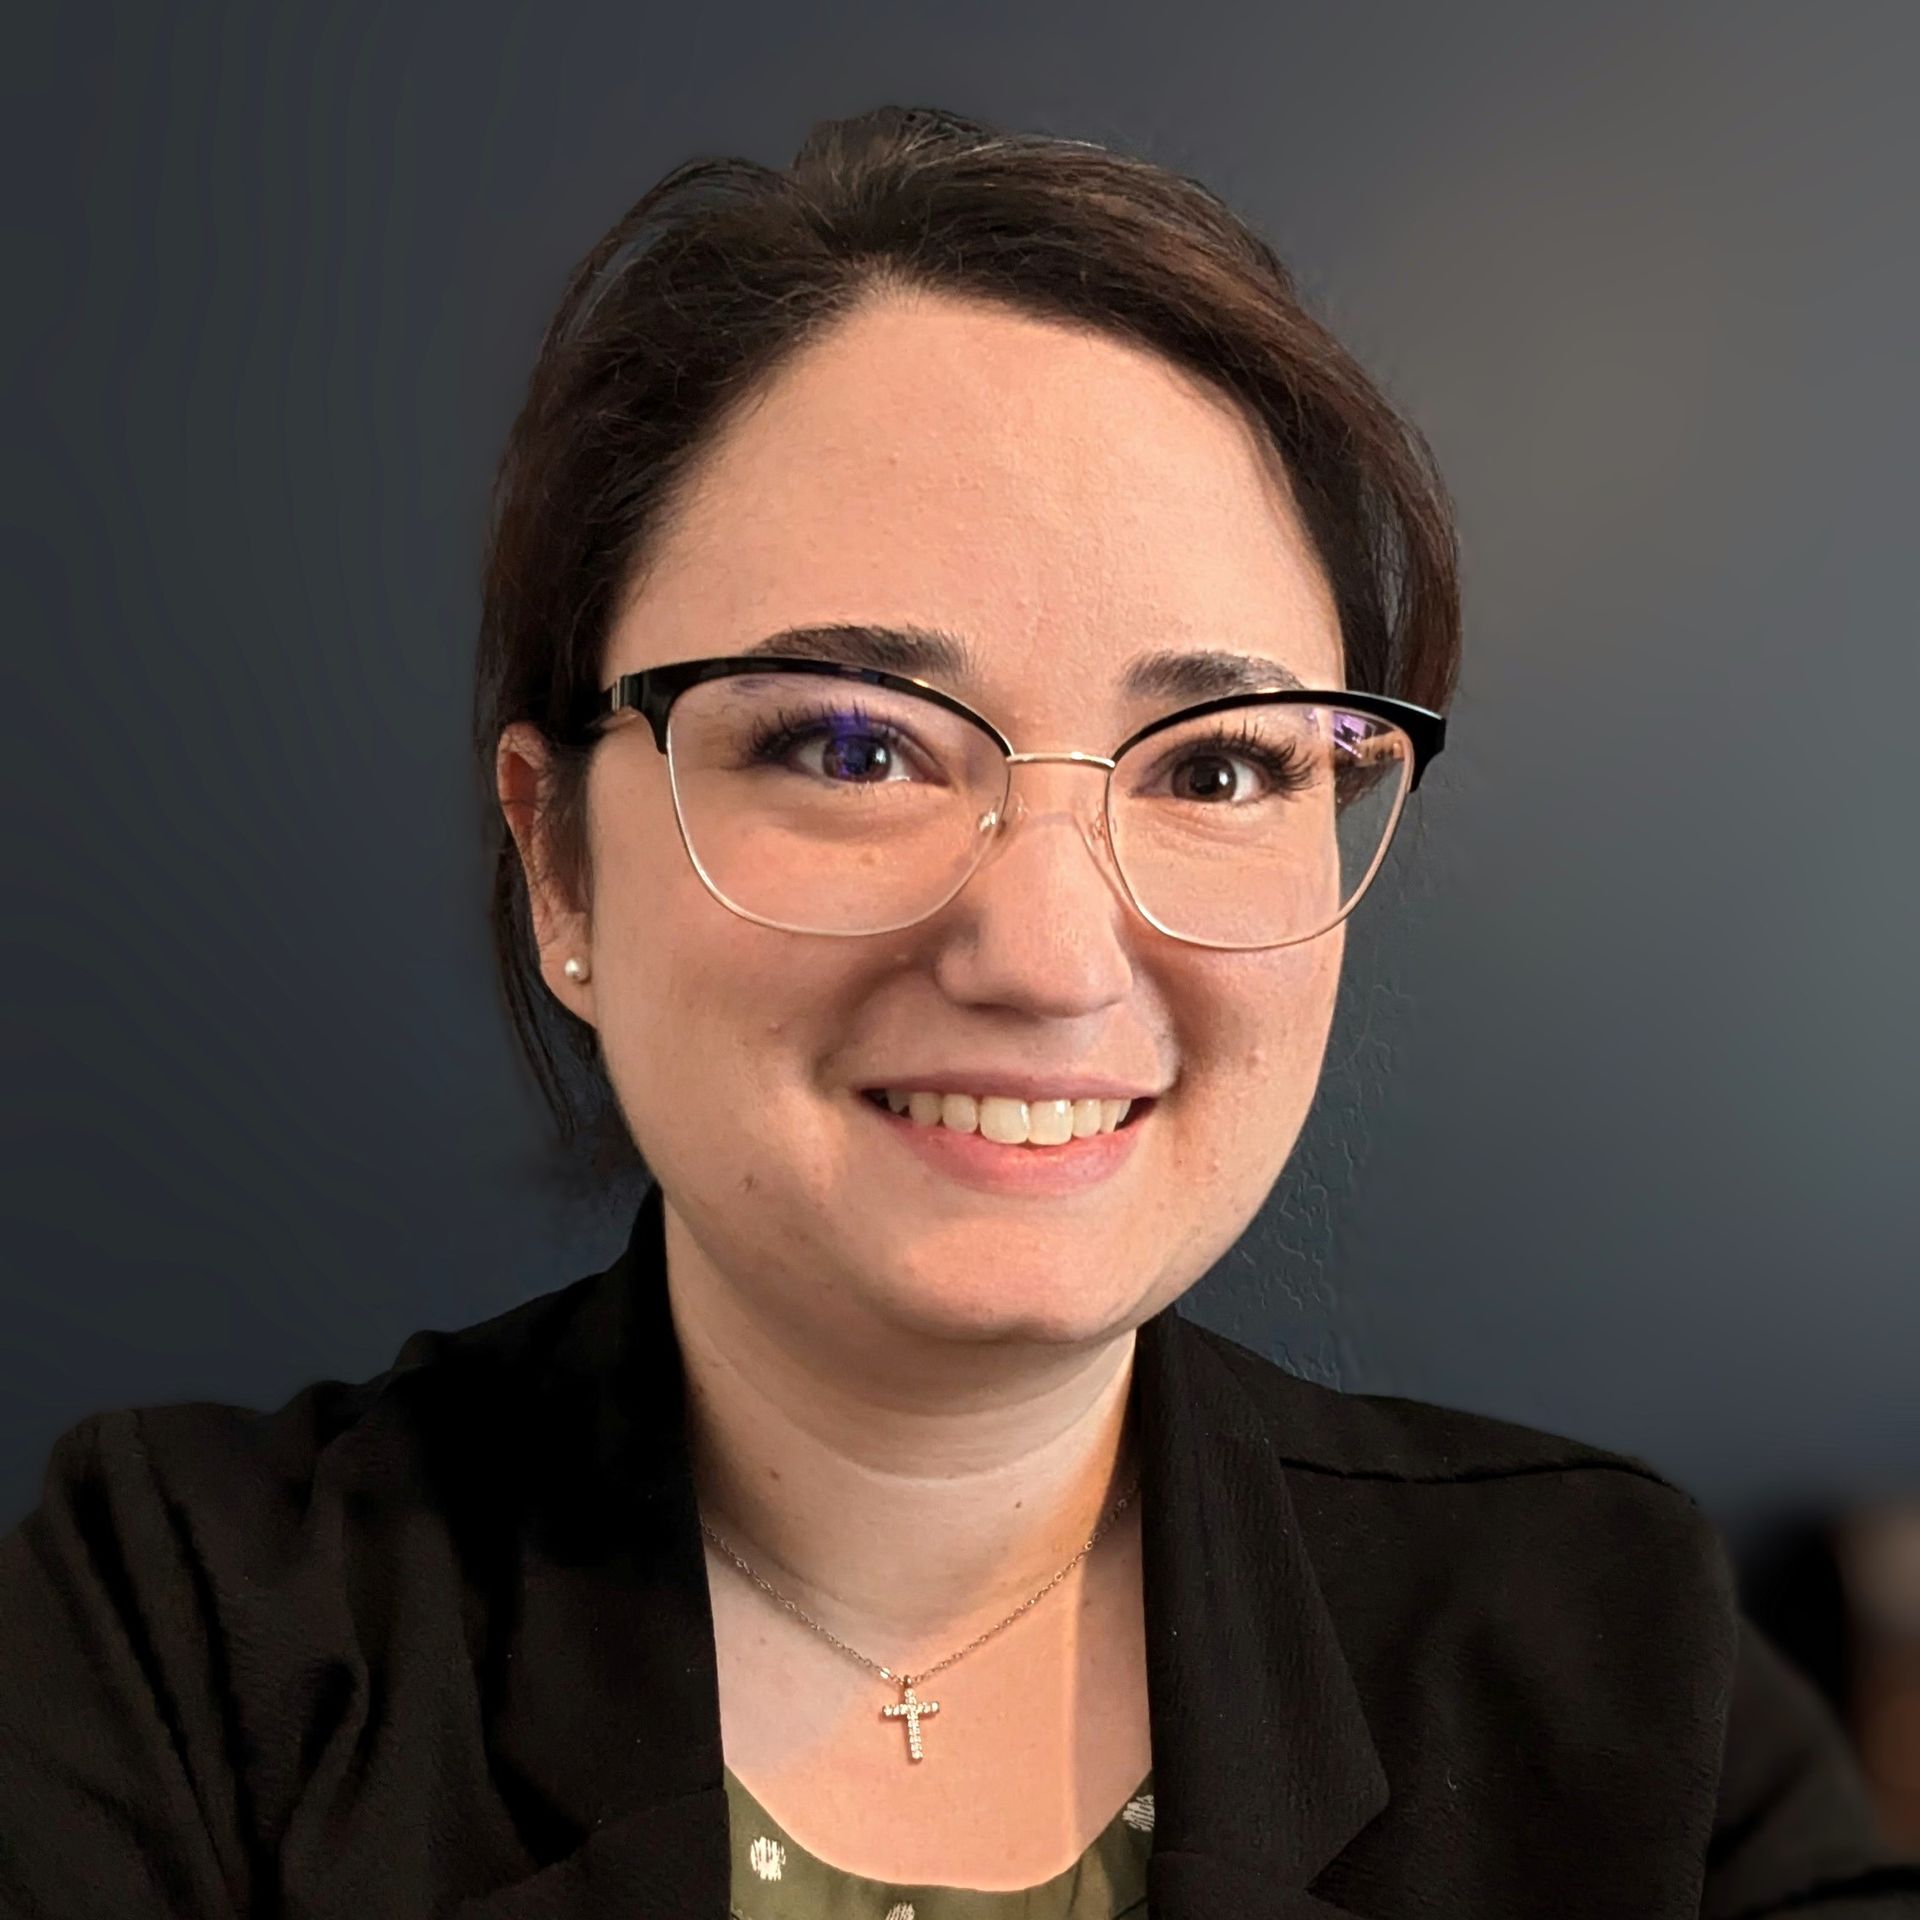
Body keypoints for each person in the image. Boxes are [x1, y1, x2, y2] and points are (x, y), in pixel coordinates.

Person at [2, 104, 1915, 1920]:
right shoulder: (181, 1644)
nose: (1049, 950)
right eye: (850, 743)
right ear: (559, 864)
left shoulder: (1617, 1656)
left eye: (1226, 767)